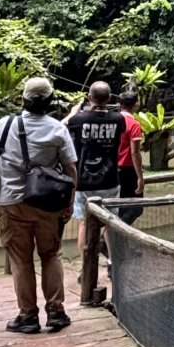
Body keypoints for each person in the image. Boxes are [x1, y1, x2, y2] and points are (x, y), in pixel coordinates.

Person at [0, 76, 78, 334]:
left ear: (22, 99)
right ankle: (56, 312)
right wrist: (69, 202)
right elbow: (70, 170)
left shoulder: (2, 126)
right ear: (50, 101)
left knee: (21, 261)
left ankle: (28, 316)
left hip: (11, 203)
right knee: (51, 255)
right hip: (48, 203)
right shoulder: (57, 129)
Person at [66, 80, 125, 248]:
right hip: (110, 179)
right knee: (111, 223)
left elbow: (59, 128)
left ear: (89, 97)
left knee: (84, 223)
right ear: (109, 98)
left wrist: (72, 113)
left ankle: (86, 262)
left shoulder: (78, 119)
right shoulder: (118, 119)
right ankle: (113, 260)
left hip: (84, 181)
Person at [116, 89, 146, 210]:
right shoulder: (134, 124)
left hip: (111, 169)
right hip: (127, 170)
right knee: (135, 208)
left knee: (116, 205)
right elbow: (135, 152)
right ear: (135, 105)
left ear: (118, 104)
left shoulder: (112, 121)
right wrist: (140, 177)